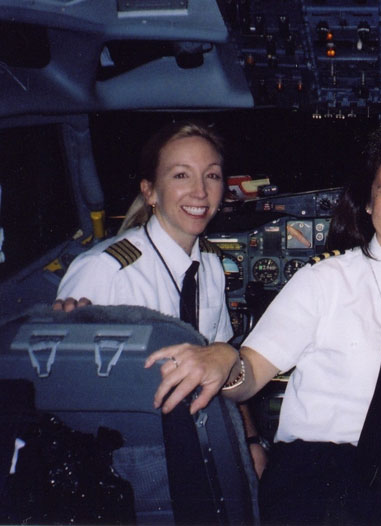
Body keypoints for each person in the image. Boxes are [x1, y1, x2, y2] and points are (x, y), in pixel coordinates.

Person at [145, 126, 381, 526]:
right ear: (368, 203)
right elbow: (250, 375)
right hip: (318, 469)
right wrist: (225, 359)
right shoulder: (322, 280)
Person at [53, 120, 267, 476]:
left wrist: (250, 442)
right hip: (128, 454)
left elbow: (220, 356)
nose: (200, 192)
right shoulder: (104, 270)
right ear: (150, 191)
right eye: (182, 175)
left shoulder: (211, 264)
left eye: (212, 176)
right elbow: (63, 394)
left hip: (196, 434)